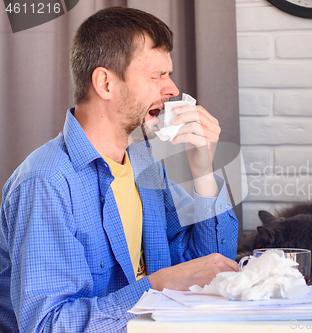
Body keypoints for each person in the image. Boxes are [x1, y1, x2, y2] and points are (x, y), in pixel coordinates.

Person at [0, 6, 239, 332]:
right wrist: (155, 287)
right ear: (106, 84)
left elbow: (212, 266)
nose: (171, 89)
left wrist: (203, 170)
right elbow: (48, 325)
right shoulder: (46, 183)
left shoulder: (144, 164)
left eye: (169, 74)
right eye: (157, 76)